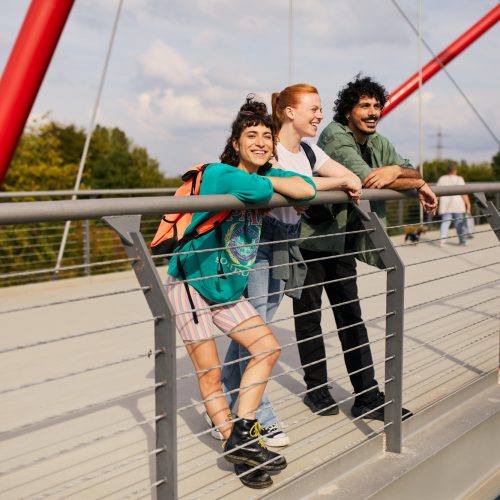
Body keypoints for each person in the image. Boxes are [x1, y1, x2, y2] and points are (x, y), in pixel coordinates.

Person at [166, 95, 316, 488]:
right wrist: (279, 184)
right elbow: (272, 191)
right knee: (211, 374)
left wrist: (281, 183)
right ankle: (240, 450)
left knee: (267, 348)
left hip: (227, 287)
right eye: (252, 135)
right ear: (236, 144)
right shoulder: (219, 173)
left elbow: (307, 188)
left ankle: (242, 435)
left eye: (267, 136)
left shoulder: (257, 178)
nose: (261, 142)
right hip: (192, 284)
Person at [216, 84, 362, 444]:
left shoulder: (308, 150)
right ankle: (257, 414)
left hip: (287, 242)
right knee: (259, 332)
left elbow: (341, 178)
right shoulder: (272, 150)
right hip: (259, 239)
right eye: (313, 108)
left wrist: (338, 179)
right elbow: (291, 186)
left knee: (259, 326)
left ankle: (231, 390)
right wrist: (326, 183)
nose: (320, 115)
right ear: (289, 112)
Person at [293, 74, 437, 420]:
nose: (373, 112)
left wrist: (399, 173)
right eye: (364, 106)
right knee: (309, 318)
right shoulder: (335, 136)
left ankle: (366, 395)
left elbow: (405, 170)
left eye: (377, 106)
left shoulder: (376, 141)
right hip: (311, 239)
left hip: (342, 241)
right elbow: (362, 178)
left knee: (350, 316)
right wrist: (405, 177)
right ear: (348, 111)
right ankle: (317, 389)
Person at [437, 164, 471, 246]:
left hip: (446, 205)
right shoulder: (460, 179)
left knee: (445, 222)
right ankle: (462, 241)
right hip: (458, 204)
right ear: (455, 171)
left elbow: (437, 192)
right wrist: (468, 204)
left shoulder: (442, 178)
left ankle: (442, 241)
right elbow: (464, 193)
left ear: (447, 170)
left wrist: (435, 202)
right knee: (459, 223)